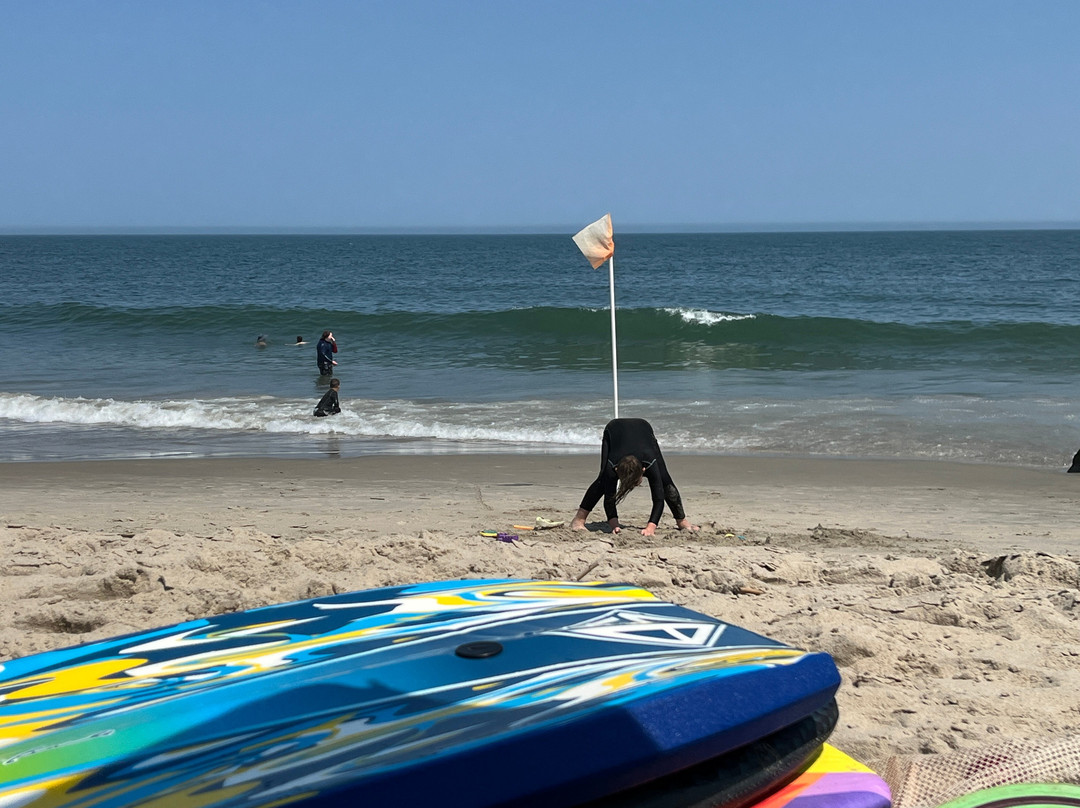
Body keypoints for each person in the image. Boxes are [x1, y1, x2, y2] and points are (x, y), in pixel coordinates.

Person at [570, 418, 698, 536]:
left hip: (644, 429)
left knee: (665, 480)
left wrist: (650, 528)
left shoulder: (650, 462)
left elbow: (658, 500)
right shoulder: (613, 466)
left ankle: (681, 521)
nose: (636, 485)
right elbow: (609, 499)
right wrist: (614, 525)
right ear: (617, 471)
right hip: (614, 429)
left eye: (636, 482)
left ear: (644, 470)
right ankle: (579, 520)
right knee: (602, 480)